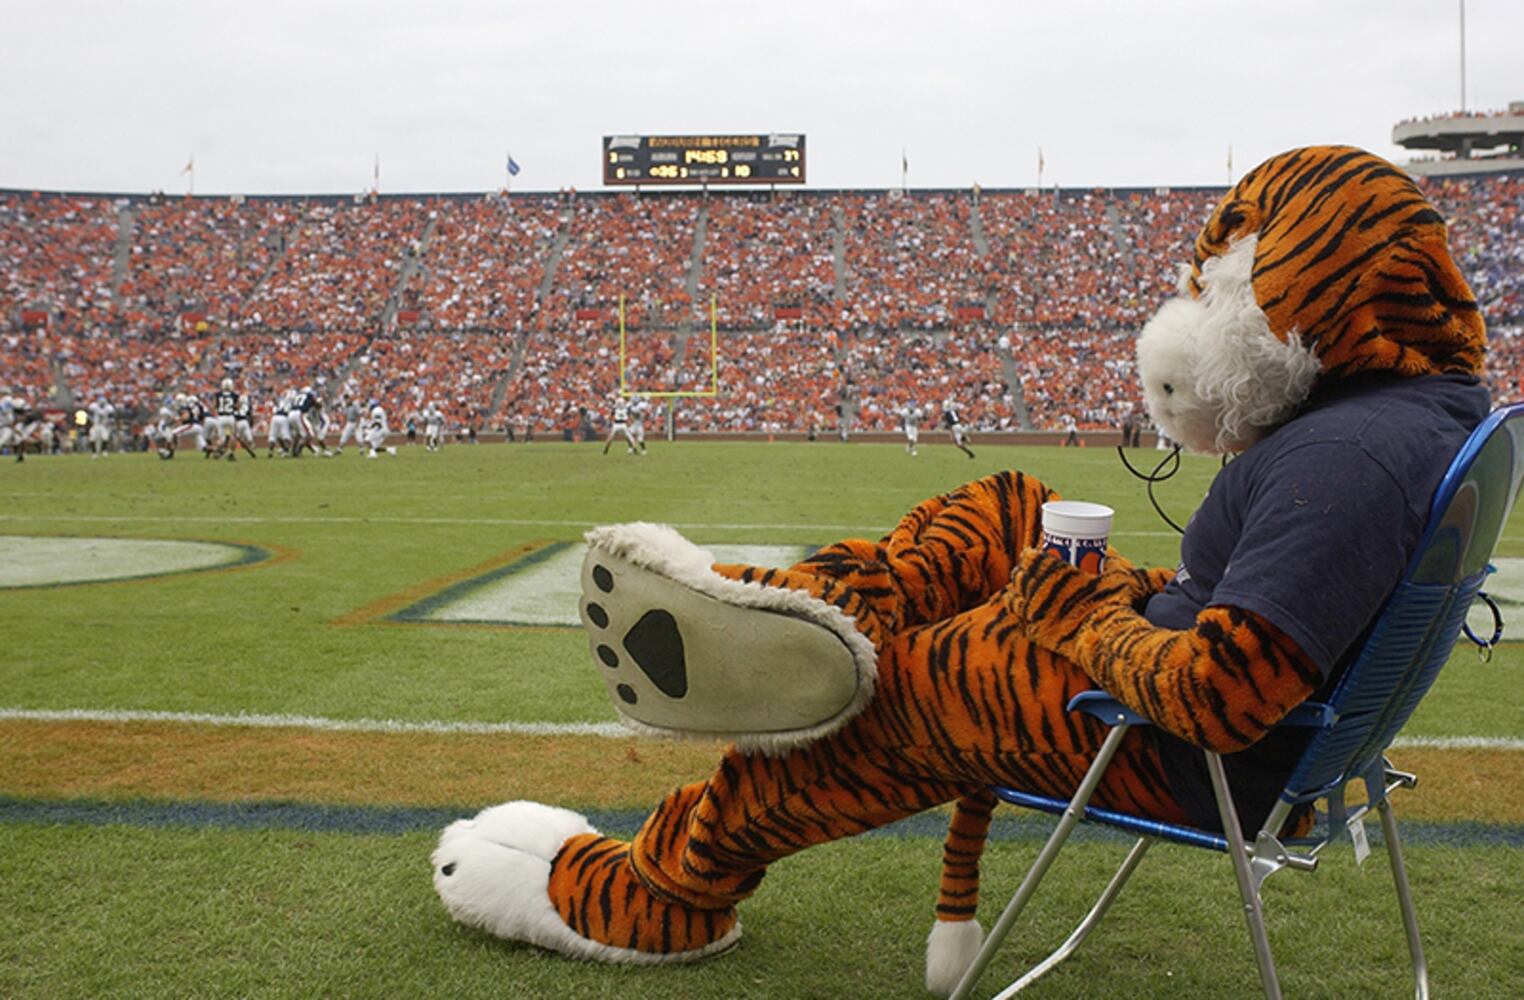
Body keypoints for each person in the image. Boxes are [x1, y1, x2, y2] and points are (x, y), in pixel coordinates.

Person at [430, 147, 1492, 993]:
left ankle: (665, 889)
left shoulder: (1347, 459)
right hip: (1201, 711)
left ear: (1302, 281)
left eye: (1224, 286)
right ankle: (814, 611)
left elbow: (1223, 696)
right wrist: (1110, 597)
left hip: (1173, 751)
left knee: (898, 694)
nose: (1204, 313)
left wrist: (1083, 617)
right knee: (1005, 511)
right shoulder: (1409, 412)